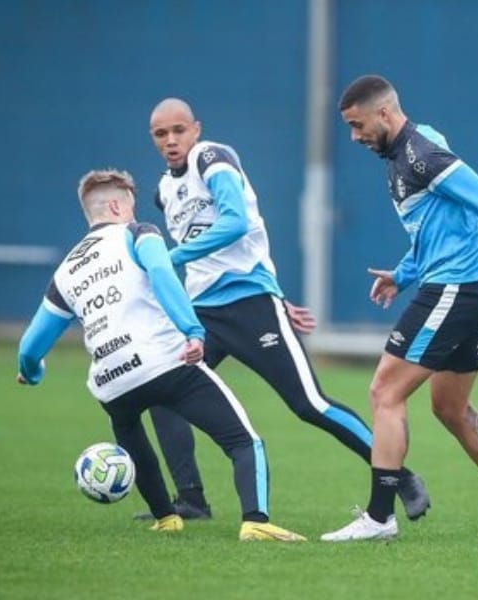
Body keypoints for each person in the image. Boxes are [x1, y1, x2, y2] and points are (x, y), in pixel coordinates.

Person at [139, 98, 430, 521]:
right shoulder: (164, 190)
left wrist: (174, 259)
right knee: (163, 393)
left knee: (309, 404)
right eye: (160, 134)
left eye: (178, 130)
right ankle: (191, 499)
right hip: (203, 313)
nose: (170, 140)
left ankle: (400, 477)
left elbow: (237, 222)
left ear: (196, 129)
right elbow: (215, 250)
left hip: (251, 305)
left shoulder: (212, 157)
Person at [319, 75, 478, 542]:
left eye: (358, 125)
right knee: (450, 407)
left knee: (384, 391)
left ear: (385, 114)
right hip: (464, 285)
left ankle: (378, 517)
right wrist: (403, 274)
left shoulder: (422, 155)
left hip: (457, 287)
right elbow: (439, 229)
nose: (354, 137)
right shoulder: (404, 154)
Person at [15, 169, 305, 542]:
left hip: (112, 383)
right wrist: (193, 330)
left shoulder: (66, 270)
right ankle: (256, 521)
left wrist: (33, 371)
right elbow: (162, 272)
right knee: (243, 441)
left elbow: (30, 345)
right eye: (131, 206)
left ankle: (166, 518)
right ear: (118, 205)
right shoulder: (138, 233)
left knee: (131, 431)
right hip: (164, 363)